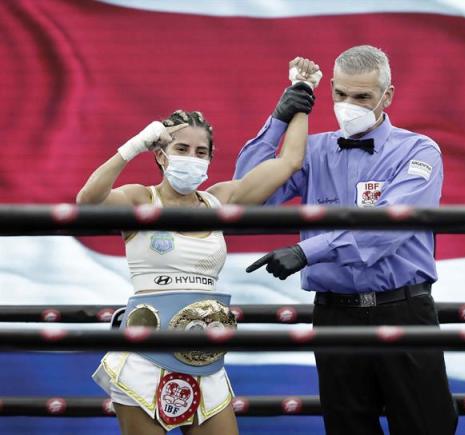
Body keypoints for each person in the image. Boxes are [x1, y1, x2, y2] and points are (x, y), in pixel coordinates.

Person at [76, 63, 317, 435]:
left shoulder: (220, 200)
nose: (192, 156)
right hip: (144, 359)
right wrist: (134, 144)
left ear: (209, 159)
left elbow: (289, 162)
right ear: (160, 154)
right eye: (182, 148)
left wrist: (300, 99)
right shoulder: (141, 199)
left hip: (205, 363)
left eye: (201, 151)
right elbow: (87, 201)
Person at [236, 46, 458, 435]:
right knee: (347, 430)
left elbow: (388, 225)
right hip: (335, 315)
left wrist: (307, 251)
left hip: (403, 310)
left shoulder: (418, 150)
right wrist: (277, 120)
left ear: (387, 96)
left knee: (428, 428)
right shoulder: (312, 151)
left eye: (362, 97)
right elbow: (245, 194)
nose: (348, 105)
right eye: (340, 94)